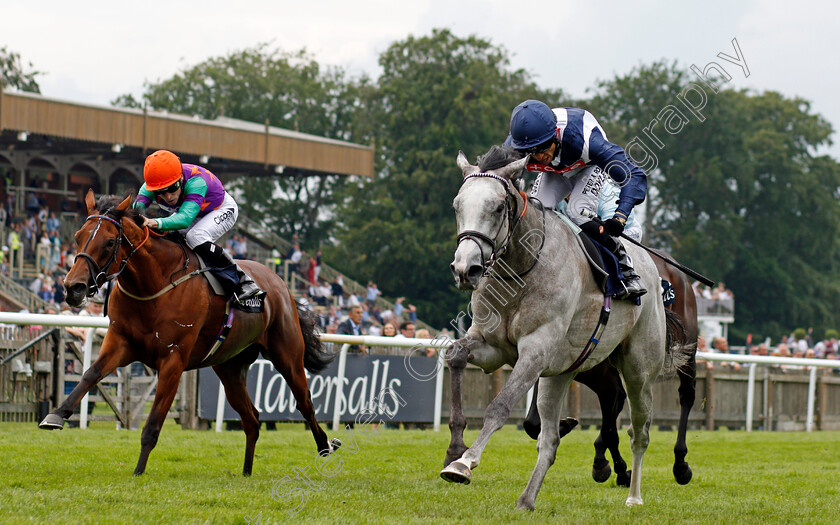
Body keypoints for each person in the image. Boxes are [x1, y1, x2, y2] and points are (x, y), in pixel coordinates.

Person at [506, 100, 647, 300]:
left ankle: (625, 268)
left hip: (588, 165)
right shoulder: (516, 145)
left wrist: (620, 218)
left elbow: (634, 175)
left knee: (577, 210)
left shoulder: (588, 141)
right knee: (536, 212)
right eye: (532, 151)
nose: (539, 156)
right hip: (555, 170)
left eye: (543, 147)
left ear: (555, 134)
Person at [133, 150, 264, 304]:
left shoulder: (196, 182)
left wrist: (155, 222)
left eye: (172, 188)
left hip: (221, 209)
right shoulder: (152, 185)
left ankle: (243, 281)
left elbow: (185, 219)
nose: (168, 197)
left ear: (180, 179)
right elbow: (134, 212)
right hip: (194, 213)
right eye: (160, 192)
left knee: (195, 236)